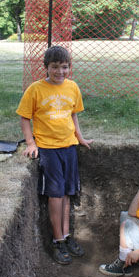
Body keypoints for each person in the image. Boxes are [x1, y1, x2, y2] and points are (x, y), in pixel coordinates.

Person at [16, 46, 93, 265]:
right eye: (55, 67)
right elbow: (24, 118)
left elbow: (73, 116)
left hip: (69, 148)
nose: (60, 71)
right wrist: (31, 143)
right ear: (46, 67)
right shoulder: (36, 89)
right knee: (56, 195)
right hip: (49, 150)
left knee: (67, 194)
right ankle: (56, 239)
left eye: (65, 67)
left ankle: (66, 236)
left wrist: (80, 138)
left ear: (70, 67)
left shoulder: (72, 87)